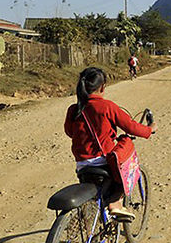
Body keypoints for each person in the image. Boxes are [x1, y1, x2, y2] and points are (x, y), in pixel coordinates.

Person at [64, 67, 155, 221]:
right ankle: (116, 203)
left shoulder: (73, 109)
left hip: (82, 165)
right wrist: (149, 129)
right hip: (103, 163)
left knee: (94, 198)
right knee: (125, 153)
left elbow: (69, 132)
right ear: (103, 87)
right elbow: (131, 127)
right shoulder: (106, 106)